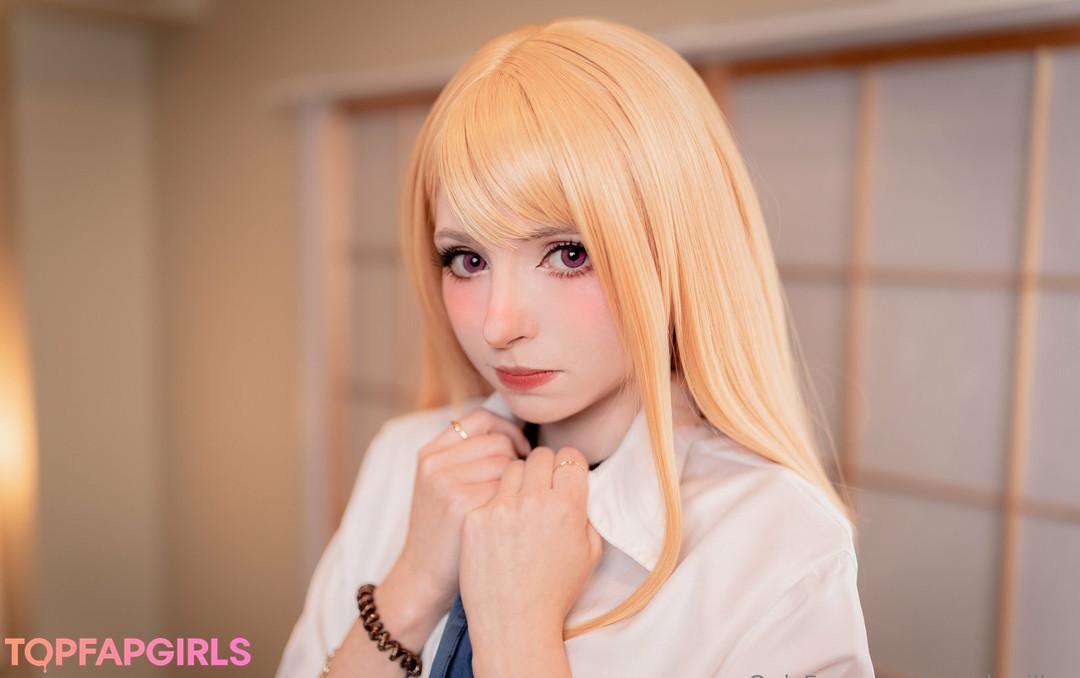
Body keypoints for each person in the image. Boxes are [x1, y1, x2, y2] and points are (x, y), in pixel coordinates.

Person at [276, 16, 874, 678]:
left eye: (568, 253)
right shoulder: (407, 460)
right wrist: (410, 591)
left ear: (675, 252)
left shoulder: (776, 545)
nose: (499, 325)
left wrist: (519, 632)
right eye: (467, 259)